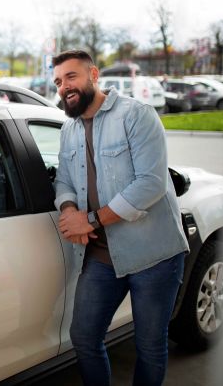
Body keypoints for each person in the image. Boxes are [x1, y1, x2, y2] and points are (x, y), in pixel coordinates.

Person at [52, 50, 189, 386]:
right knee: (84, 337)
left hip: (153, 255)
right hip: (100, 257)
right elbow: (64, 179)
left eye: (71, 76)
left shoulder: (135, 115)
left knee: (150, 346)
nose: (63, 86)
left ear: (93, 74)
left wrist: (92, 220)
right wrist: (69, 210)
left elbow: (152, 183)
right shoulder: (68, 129)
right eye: (57, 81)